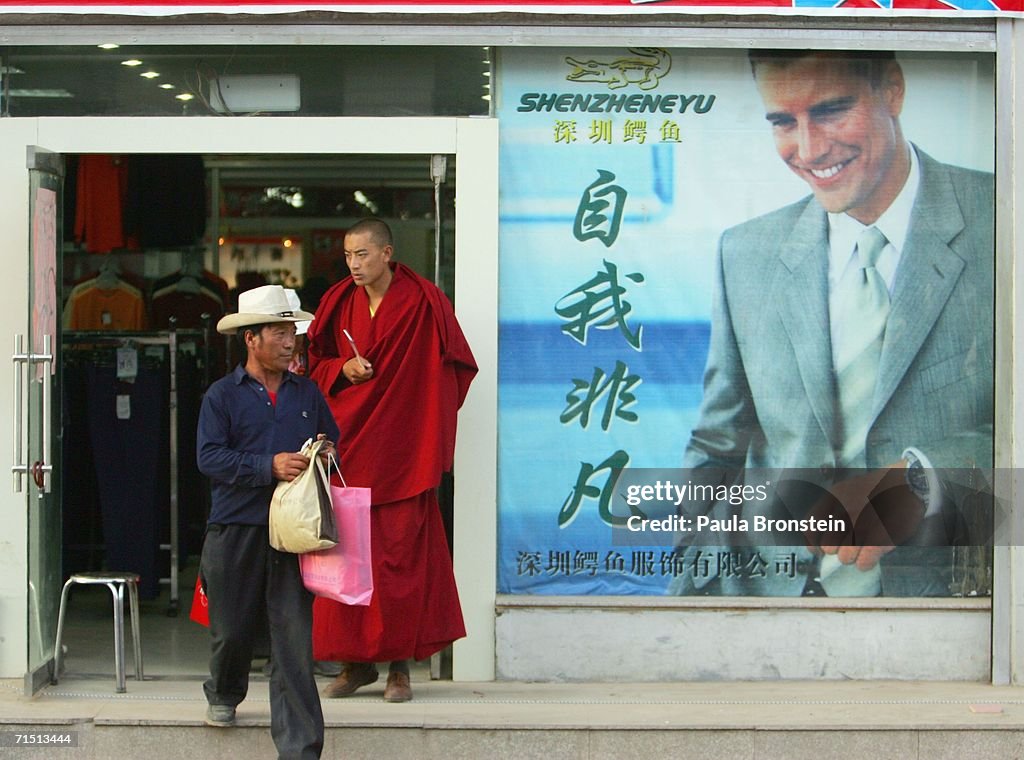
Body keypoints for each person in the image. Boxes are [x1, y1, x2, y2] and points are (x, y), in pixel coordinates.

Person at [672, 50, 993, 597]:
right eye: (783, 121)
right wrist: (687, 596)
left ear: (892, 89)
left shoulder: (1004, 221)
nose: (810, 148)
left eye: (831, 110)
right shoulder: (746, 253)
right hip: (768, 604)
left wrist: (924, 477)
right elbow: (717, 447)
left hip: (946, 612)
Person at [307, 218, 477, 702]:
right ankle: (354, 664)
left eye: (362, 254)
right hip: (351, 448)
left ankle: (400, 666)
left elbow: (456, 367)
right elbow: (310, 363)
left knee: (400, 558)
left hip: (404, 449)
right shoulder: (337, 301)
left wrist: (425, 421)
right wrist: (342, 368)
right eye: (347, 255)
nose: (354, 265)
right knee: (347, 557)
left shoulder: (425, 301)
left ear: (387, 253)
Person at [197, 284, 338, 759]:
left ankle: (300, 748)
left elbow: (332, 440)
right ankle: (223, 690)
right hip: (236, 526)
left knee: (294, 642)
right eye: (278, 332)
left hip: (294, 534)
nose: (289, 342)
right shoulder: (221, 396)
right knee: (232, 630)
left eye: (291, 332)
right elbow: (208, 457)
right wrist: (267, 466)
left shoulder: (307, 392)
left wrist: (323, 453)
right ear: (250, 339)